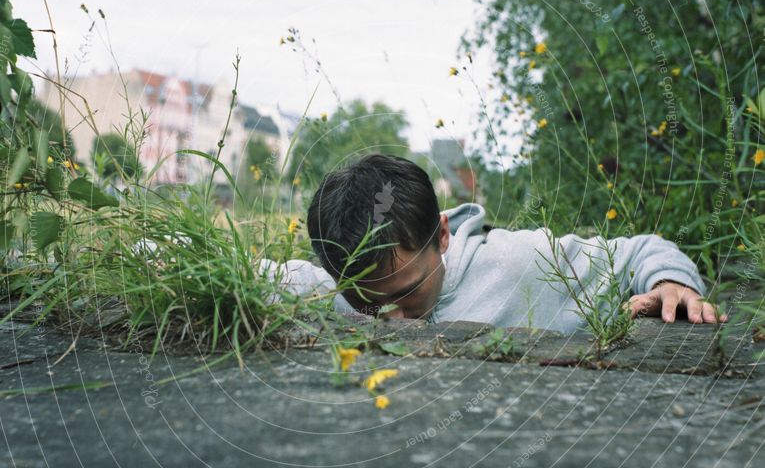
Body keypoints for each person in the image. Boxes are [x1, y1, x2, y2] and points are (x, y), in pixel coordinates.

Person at [259, 154, 727, 334]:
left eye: (406, 294)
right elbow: (274, 277)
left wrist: (670, 282)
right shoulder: (337, 288)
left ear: (442, 236)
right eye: (366, 303)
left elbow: (640, 251)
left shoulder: (524, 262)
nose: (392, 320)